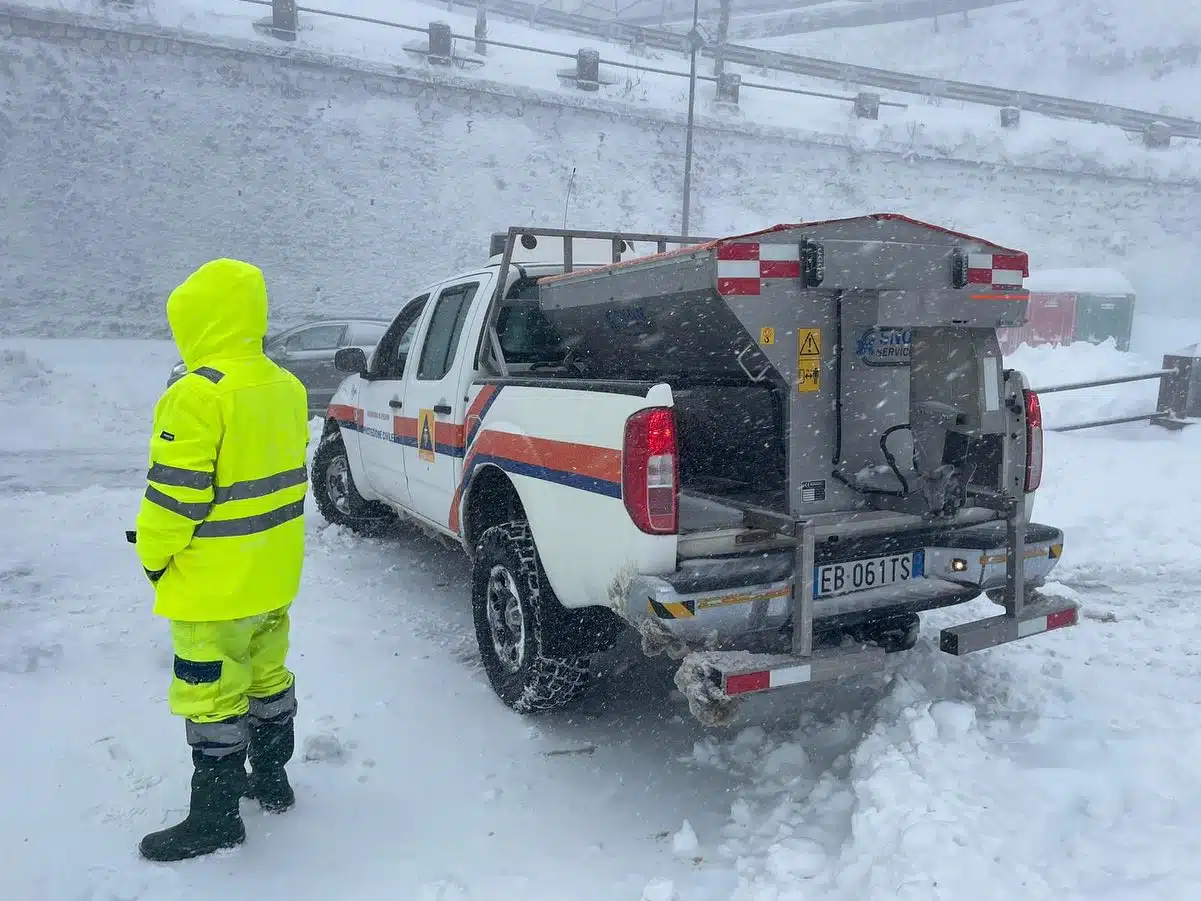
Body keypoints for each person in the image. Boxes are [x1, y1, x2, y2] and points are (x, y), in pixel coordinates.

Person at [134, 258, 309, 862]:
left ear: (200, 322)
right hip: (274, 578)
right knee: (267, 679)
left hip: (213, 590)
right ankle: (272, 779)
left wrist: (155, 560)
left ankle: (215, 818)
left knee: (212, 698)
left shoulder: (195, 394)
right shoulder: (286, 386)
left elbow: (171, 498)